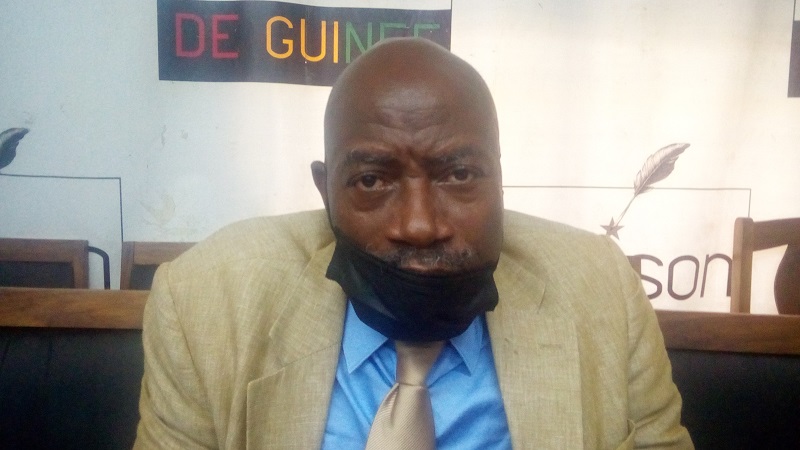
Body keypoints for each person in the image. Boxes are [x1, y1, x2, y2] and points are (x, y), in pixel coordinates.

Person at [134, 38, 693, 449]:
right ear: (326, 193)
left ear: (500, 180)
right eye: (371, 181)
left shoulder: (601, 290)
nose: (421, 225)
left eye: (459, 174)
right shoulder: (205, 305)